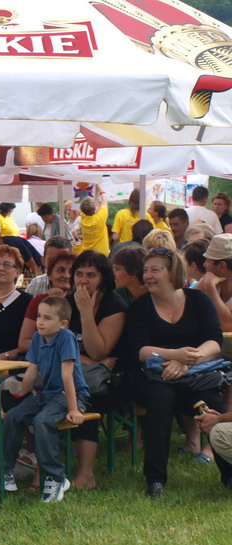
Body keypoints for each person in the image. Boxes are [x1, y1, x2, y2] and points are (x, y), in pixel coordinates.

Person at [127, 247, 225, 496]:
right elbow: (139, 350)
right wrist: (174, 355)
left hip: (194, 376)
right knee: (161, 399)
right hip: (153, 378)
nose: (148, 276)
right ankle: (155, 480)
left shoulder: (198, 300)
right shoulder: (140, 307)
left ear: (173, 272)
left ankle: (230, 474)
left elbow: (214, 342)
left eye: (155, 270)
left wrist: (186, 362)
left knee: (214, 408)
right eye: (146, 270)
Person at [0, 296, 89, 501]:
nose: (40, 322)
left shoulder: (66, 338)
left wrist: (74, 409)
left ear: (63, 324)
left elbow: (67, 375)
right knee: (13, 416)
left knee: (42, 420)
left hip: (70, 395)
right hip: (46, 395)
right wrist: (22, 397)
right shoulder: (38, 338)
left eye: (47, 318)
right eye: (39, 316)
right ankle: (4, 474)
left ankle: (55, 478)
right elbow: (32, 371)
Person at [65, 251, 127, 489]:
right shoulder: (67, 302)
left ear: (103, 278)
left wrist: (86, 313)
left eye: (91, 275)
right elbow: (52, 346)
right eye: (79, 274)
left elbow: (99, 351)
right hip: (75, 371)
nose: (83, 280)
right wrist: (85, 360)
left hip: (109, 381)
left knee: (84, 399)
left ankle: (86, 473)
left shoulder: (114, 306)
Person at [17, 252, 76, 356]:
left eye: (71, 271)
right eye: (60, 270)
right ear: (50, 275)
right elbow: (24, 343)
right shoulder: (40, 300)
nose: (66, 275)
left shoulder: (81, 301)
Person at [75, 186, 110, 256]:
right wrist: (100, 186)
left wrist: (97, 191)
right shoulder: (100, 218)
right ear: (94, 209)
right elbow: (104, 200)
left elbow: (96, 206)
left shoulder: (83, 218)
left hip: (86, 253)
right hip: (101, 254)